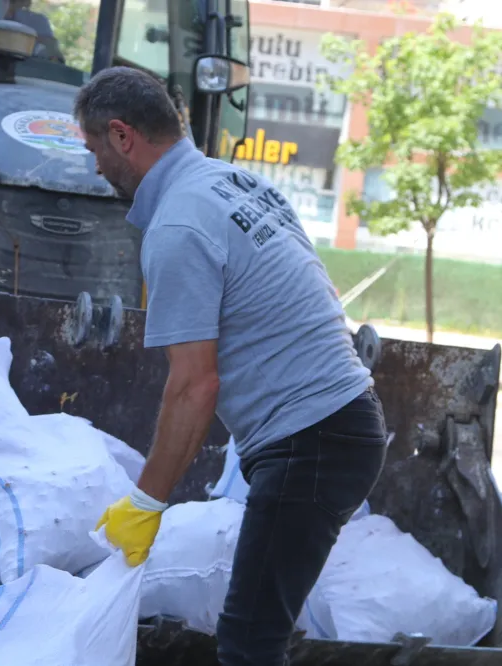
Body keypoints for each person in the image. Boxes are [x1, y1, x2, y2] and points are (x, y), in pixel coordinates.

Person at [80, 67, 388, 666]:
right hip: (340, 425)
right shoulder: (239, 183)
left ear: (122, 136)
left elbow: (195, 385)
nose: (94, 166)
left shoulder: (177, 225)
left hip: (313, 440)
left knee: (250, 643)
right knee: (255, 635)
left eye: (93, 147)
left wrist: (147, 503)